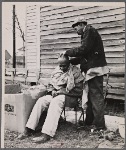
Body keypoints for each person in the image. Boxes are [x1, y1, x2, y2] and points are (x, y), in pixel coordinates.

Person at [17, 54, 84, 143]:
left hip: (71, 97)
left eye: (64, 66)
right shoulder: (57, 71)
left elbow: (79, 91)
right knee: (42, 100)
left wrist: (61, 91)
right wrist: (52, 90)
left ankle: (47, 134)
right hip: (57, 94)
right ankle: (29, 129)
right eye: (60, 66)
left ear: (69, 63)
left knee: (55, 102)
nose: (62, 68)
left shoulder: (75, 72)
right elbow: (51, 85)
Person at [64, 17, 109, 131]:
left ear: (81, 24)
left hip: (95, 70)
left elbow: (83, 50)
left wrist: (67, 52)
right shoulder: (86, 35)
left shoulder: (89, 30)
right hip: (91, 70)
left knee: (96, 96)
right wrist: (70, 61)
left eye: (76, 29)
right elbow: (83, 56)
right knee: (90, 96)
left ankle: (100, 126)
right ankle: (89, 122)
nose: (76, 31)